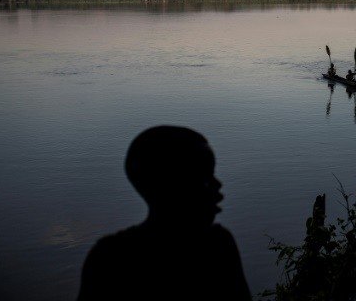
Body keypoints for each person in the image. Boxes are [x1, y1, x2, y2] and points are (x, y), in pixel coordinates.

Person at [77, 126, 251, 300]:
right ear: (170, 187)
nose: (218, 185)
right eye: (203, 177)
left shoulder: (109, 256)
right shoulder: (218, 245)